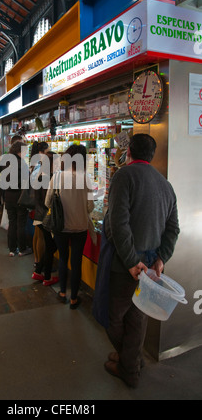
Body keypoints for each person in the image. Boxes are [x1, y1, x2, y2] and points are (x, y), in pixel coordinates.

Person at [96, 133, 180, 389]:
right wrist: (161, 259)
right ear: (151, 156)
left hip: (126, 265)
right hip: (151, 264)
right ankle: (131, 359)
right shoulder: (165, 184)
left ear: (129, 151)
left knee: (112, 317)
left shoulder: (123, 176)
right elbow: (173, 228)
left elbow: (118, 224)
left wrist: (132, 261)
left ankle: (129, 366)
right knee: (138, 316)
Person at [45, 144, 94, 308]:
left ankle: (62, 293)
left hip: (61, 226)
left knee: (63, 259)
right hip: (80, 227)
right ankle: (74, 298)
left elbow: (47, 202)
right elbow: (90, 207)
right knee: (76, 261)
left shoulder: (57, 177)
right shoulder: (85, 179)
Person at [0, 140, 31, 257]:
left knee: (12, 223)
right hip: (19, 197)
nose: (26, 153)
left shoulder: (6, 161)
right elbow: (27, 180)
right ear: (19, 151)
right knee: (21, 223)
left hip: (8, 196)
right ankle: (22, 248)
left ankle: (12, 249)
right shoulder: (21, 163)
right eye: (25, 151)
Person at [32, 151, 59, 286]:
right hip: (46, 217)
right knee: (51, 246)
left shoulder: (40, 175)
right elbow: (50, 200)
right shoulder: (49, 178)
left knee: (50, 246)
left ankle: (39, 272)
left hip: (40, 214)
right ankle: (46, 277)